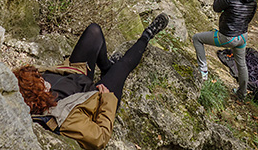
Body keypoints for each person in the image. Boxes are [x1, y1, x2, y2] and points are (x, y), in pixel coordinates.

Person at [14, 13, 169, 149]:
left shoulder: (37, 83)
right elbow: (99, 138)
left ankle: (107, 67)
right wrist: (106, 101)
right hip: (96, 96)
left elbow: (52, 74)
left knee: (94, 31)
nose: (42, 77)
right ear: (38, 94)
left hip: (77, 76)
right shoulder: (61, 117)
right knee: (122, 66)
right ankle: (147, 35)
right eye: (40, 80)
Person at [192, 0, 258, 100]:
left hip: (227, 37)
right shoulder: (253, 2)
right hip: (242, 37)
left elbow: (216, 7)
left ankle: (203, 73)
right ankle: (242, 93)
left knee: (197, 38)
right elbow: (248, 19)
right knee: (241, 64)